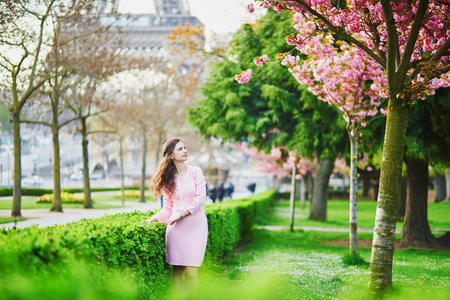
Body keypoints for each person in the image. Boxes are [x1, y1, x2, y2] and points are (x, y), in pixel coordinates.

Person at [147, 138, 208, 298]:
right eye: (180, 149)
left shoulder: (195, 172)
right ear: (171, 155)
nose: (185, 150)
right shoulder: (168, 181)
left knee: (191, 271)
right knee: (177, 273)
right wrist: (151, 220)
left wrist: (181, 214)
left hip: (197, 227)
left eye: (185, 147)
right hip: (176, 230)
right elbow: (167, 210)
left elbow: (200, 198)